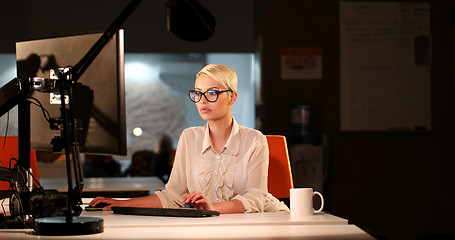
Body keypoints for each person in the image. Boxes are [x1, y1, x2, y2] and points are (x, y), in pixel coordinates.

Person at [90, 64, 289, 214]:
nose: (202, 100)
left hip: (265, 222)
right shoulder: (189, 137)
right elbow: (172, 197)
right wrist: (118, 203)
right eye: (198, 93)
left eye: (212, 93)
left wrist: (212, 207)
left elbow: (255, 199)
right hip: (212, 226)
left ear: (232, 97)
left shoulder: (255, 139)